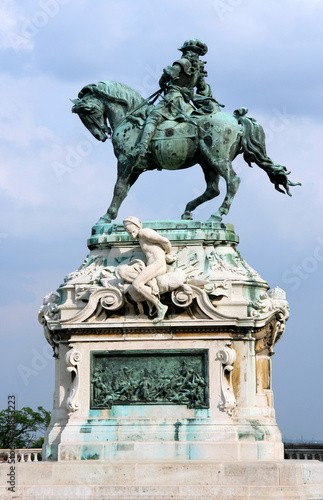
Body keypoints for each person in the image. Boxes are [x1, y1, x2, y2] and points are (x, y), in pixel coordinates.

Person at [130, 38, 218, 162]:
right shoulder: (199, 69)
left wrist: (163, 80)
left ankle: (142, 148)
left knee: (152, 118)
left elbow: (170, 75)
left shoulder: (181, 63)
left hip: (172, 99)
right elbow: (202, 88)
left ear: (186, 51)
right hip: (187, 104)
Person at [123, 216, 175, 323]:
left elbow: (165, 241)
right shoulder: (141, 238)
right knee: (140, 283)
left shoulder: (144, 233)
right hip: (153, 265)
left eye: (133, 231)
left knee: (137, 284)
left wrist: (168, 254)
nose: (132, 235)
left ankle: (160, 307)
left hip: (157, 264)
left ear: (138, 226)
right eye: (129, 233)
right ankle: (157, 303)